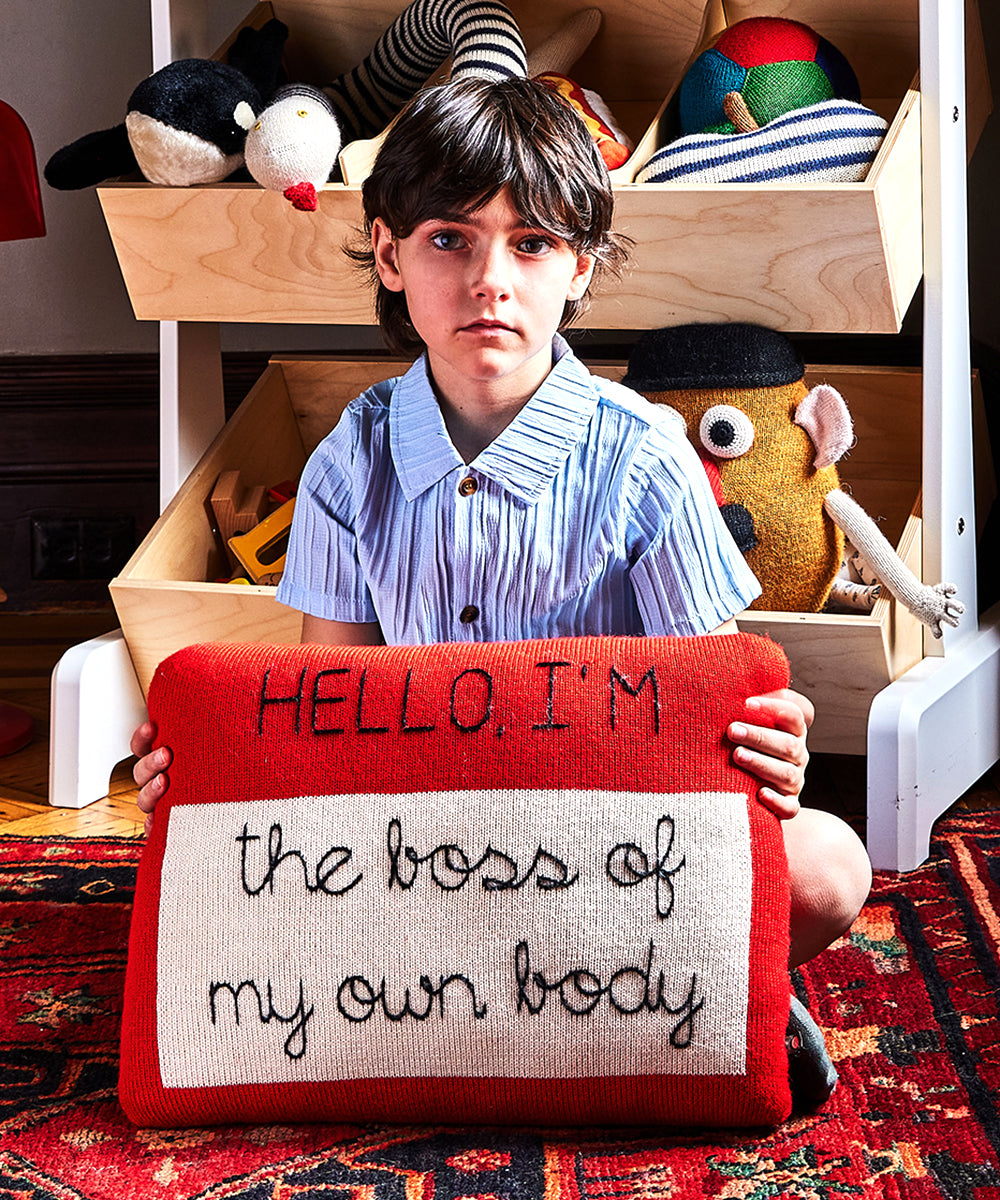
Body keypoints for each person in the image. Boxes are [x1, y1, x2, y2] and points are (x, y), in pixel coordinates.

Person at [131, 75, 869, 1102]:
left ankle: (707, 985)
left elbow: (718, 697)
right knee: (209, 871)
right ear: (387, 253)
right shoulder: (354, 456)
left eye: (530, 243)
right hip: (415, 845)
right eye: (450, 239)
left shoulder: (647, 459)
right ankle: (482, 1002)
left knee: (827, 868)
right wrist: (211, 768)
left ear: (579, 268)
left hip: (616, 848)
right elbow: (325, 694)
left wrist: (772, 737)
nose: (491, 280)